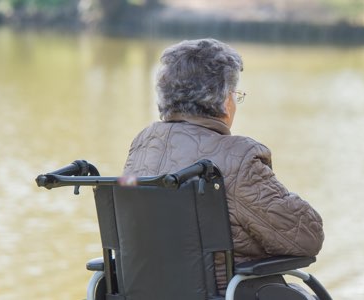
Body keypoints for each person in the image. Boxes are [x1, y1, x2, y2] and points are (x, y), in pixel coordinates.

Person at [122, 38, 324, 294]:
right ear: (225, 102)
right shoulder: (237, 156)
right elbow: (306, 238)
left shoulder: (142, 146)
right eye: (235, 95)